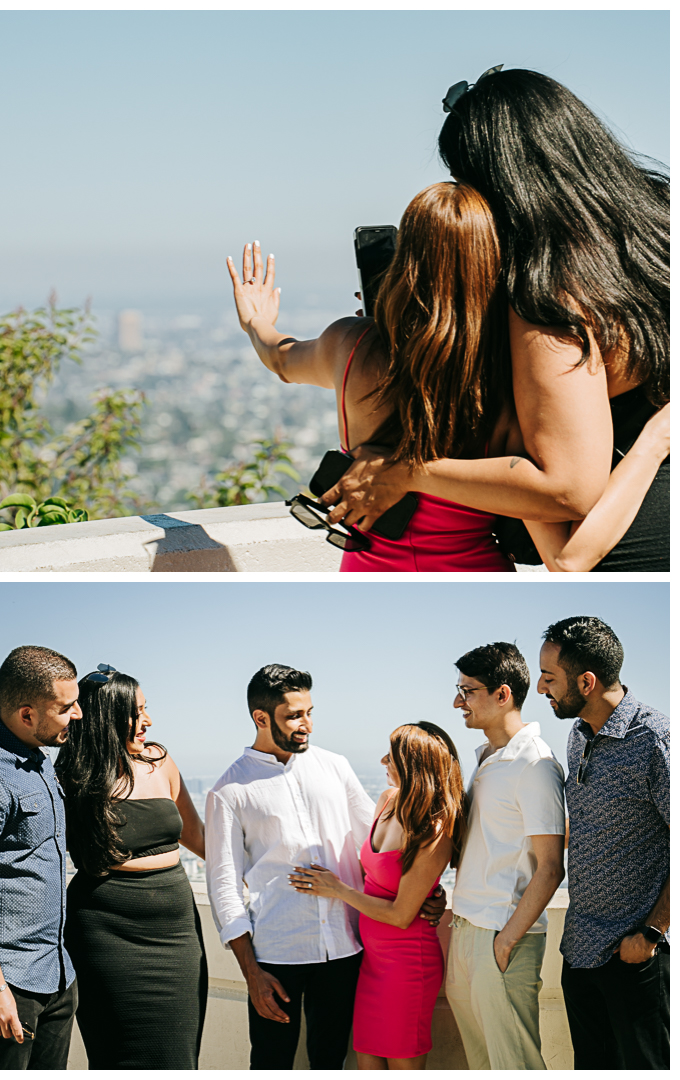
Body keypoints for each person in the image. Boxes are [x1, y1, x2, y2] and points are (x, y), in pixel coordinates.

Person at [320, 67, 669, 572]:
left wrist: (409, 470)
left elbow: (567, 488)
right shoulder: (656, 223)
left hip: (631, 548)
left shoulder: (547, 296)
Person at [227, 189, 668, 573]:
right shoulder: (506, 381)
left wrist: (256, 321)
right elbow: (569, 555)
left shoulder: (350, 344)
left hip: (363, 568)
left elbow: (280, 358)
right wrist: (656, 439)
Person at [205, 664, 446, 1070]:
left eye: (310, 712)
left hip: (347, 948)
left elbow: (372, 847)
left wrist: (427, 891)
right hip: (277, 955)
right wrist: (251, 973)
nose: (307, 725)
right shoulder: (229, 791)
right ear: (260, 719)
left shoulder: (335, 766)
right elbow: (223, 886)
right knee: (271, 1062)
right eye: (294, 716)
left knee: (331, 1061)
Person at [290, 722, 467, 1070]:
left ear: (413, 765)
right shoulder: (386, 800)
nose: (383, 760)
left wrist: (337, 890)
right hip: (371, 963)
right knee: (367, 1063)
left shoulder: (434, 828)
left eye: (393, 755)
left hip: (407, 966)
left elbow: (402, 915)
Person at [57, 665, 208, 1070]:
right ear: (107, 716)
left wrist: (257, 870)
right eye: (136, 712)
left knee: (178, 1058)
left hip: (176, 936)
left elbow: (199, 838)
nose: (148, 721)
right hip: (105, 935)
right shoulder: (71, 777)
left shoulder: (160, 761)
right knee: (119, 1058)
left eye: (147, 709)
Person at [538, 616, 669, 1070]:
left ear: (587, 682)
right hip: (579, 950)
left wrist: (651, 934)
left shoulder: (656, 739)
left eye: (550, 678)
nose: (540, 688)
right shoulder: (577, 735)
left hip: (634, 955)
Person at [445, 642, 565, 1070]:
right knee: (483, 1065)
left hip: (501, 937)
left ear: (503, 694)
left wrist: (506, 940)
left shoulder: (534, 764)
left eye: (468, 690)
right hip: (467, 930)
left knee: (516, 1066)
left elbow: (550, 868)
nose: (458, 701)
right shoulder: (488, 758)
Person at [0, 645, 82, 1070]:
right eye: (66, 707)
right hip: (8, 984)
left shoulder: (37, 757)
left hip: (55, 976)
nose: (78, 715)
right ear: (27, 714)